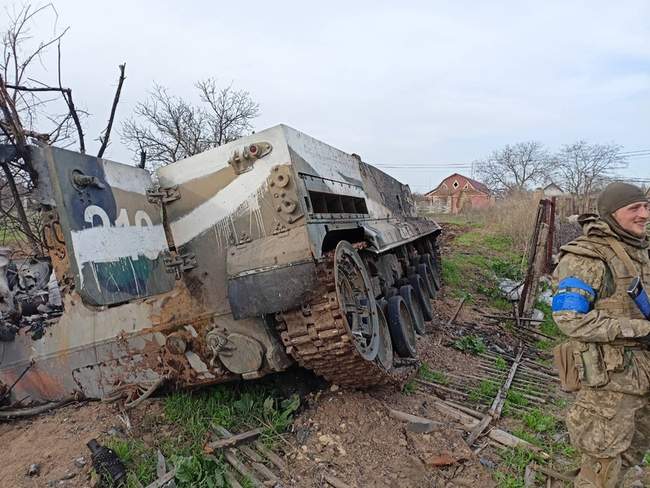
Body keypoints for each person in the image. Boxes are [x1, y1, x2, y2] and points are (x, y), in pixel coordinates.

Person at [552, 182, 650, 487]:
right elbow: (569, 318)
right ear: (611, 213)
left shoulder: (639, 250)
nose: (644, 214)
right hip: (610, 383)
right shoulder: (587, 257)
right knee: (602, 464)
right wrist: (640, 330)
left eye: (646, 206)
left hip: (643, 376)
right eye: (634, 208)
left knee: (633, 453)